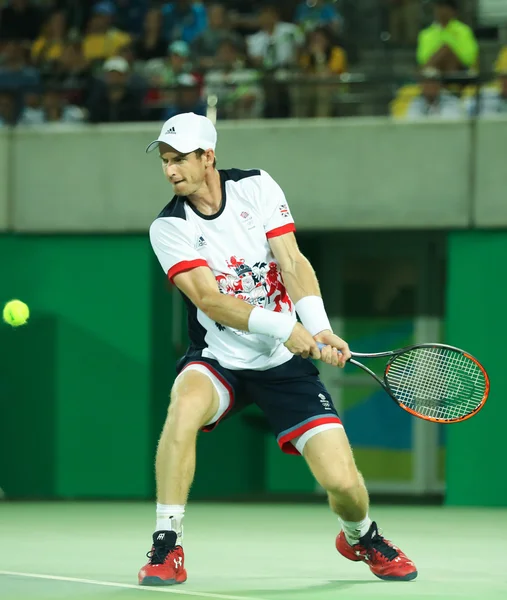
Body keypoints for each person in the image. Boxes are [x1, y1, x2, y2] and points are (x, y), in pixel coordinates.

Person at [139, 112, 418, 587]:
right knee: (183, 407)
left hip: (282, 366)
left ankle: (360, 535)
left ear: (208, 157)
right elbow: (209, 299)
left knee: (344, 485)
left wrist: (319, 329)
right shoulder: (169, 227)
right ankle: (167, 543)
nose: (170, 170)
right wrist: (284, 326)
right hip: (218, 359)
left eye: (180, 159)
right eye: (165, 160)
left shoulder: (257, 186)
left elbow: (291, 260)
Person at [417, 0, 478, 73]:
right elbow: (422, 58)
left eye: (445, 8)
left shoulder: (464, 30)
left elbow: (469, 58)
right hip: (434, 69)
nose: (442, 11)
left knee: (446, 49)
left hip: (459, 69)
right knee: (443, 51)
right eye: (439, 7)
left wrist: (446, 53)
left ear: (453, 11)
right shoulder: (425, 34)